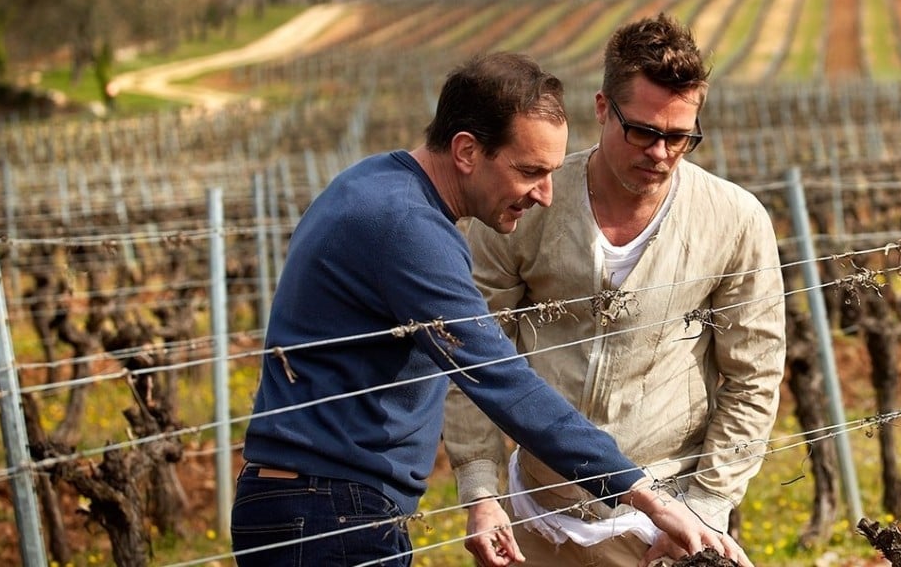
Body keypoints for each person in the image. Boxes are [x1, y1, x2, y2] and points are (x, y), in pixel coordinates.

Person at [230, 51, 754, 567]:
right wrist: (644, 493)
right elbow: (501, 378)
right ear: (466, 151)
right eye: (529, 171)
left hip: (315, 505)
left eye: (552, 172)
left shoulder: (376, 185)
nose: (546, 195)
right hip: (329, 516)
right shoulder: (409, 229)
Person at [444, 15, 786, 567]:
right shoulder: (526, 206)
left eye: (680, 137)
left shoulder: (734, 220)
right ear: (603, 108)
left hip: (666, 523)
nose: (660, 153)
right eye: (643, 132)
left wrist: (707, 505)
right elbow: (474, 354)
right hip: (537, 516)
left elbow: (754, 377)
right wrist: (482, 490)